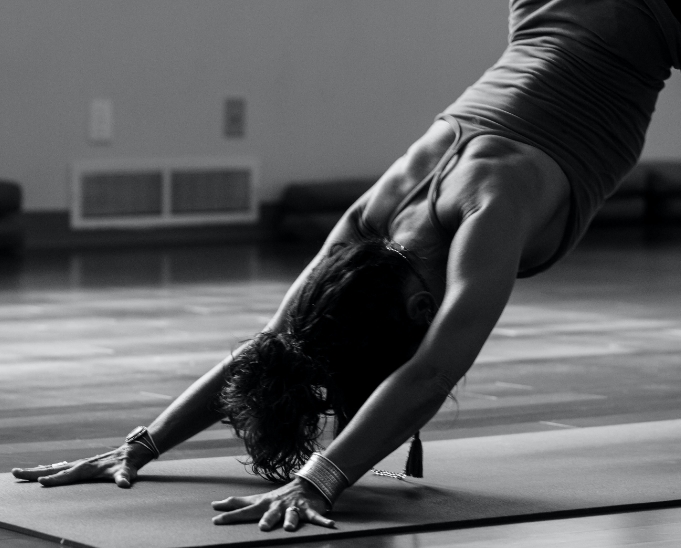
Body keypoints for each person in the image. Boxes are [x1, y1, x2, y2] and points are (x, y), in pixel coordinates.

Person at [12, 0, 681, 533]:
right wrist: (143, 445)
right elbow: (271, 347)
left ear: (422, 309)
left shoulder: (488, 210)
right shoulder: (372, 221)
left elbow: (431, 372)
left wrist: (319, 479)